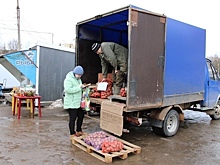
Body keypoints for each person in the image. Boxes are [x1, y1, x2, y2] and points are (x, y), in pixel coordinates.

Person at [63, 65, 86, 139]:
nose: (79, 76)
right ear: (74, 73)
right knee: (72, 118)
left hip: (78, 101)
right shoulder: (68, 79)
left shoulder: (78, 79)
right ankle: (72, 133)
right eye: (78, 75)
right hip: (71, 102)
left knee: (81, 116)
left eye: (80, 75)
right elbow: (68, 90)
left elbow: (79, 88)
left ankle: (79, 130)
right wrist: (79, 87)